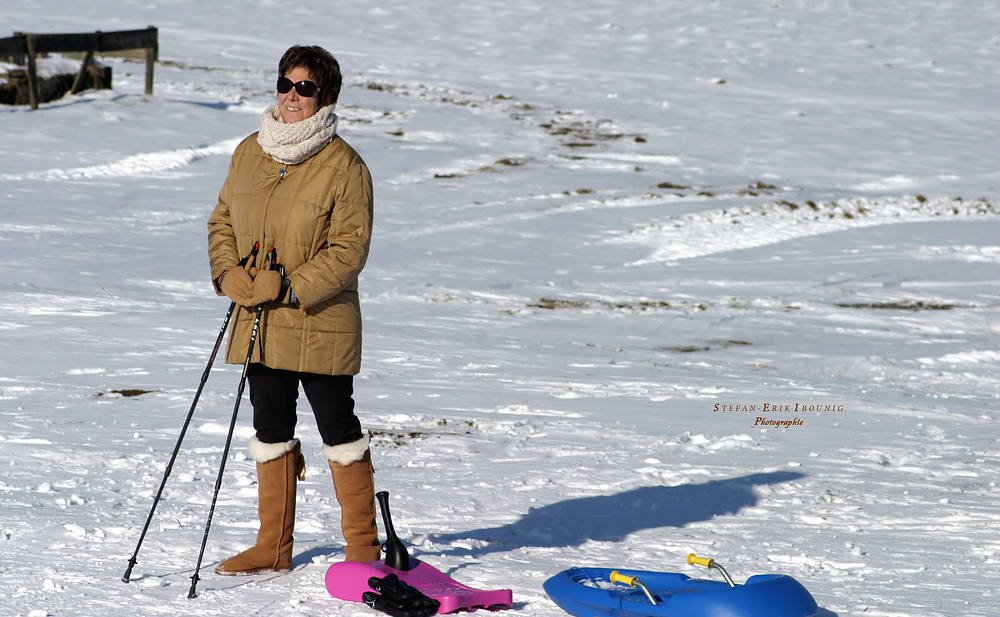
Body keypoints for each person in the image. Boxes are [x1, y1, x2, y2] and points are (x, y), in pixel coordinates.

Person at [207, 45, 379, 575]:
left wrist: (286, 285)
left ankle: (363, 550)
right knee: (270, 425)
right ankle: (273, 547)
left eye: (304, 87)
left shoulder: (345, 165)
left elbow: (349, 250)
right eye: (285, 84)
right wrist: (228, 273)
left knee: (338, 428)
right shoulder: (249, 152)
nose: (291, 96)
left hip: (318, 318)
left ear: (324, 96)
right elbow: (222, 223)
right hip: (258, 319)